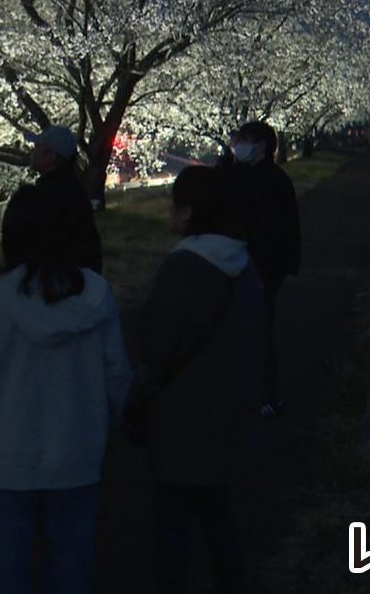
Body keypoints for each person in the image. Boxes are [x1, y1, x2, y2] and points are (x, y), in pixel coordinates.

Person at [0, 188, 131, 594]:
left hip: (5, 457)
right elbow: (116, 370)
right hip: (77, 452)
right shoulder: (95, 293)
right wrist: (117, 421)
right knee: (70, 566)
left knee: (7, 569)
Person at [128, 165, 265, 594]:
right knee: (217, 515)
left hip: (181, 416)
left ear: (189, 211)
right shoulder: (244, 265)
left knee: (173, 524)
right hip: (228, 408)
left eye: (175, 205)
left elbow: (154, 340)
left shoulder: (187, 266)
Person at [225, 121, 301, 416]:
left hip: (261, 267)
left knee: (258, 329)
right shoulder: (249, 175)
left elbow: (273, 233)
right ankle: (252, 392)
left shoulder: (271, 181)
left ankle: (266, 395)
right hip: (251, 264)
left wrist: (263, 271)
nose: (237, 144)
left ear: (261, 146)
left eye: (244, 140)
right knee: (247, 328)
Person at [4, 125, 103, 273]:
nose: (33, 151)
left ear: (52, 157)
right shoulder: (77, 195)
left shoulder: (33, 199)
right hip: (76, 283)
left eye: (38, 146)